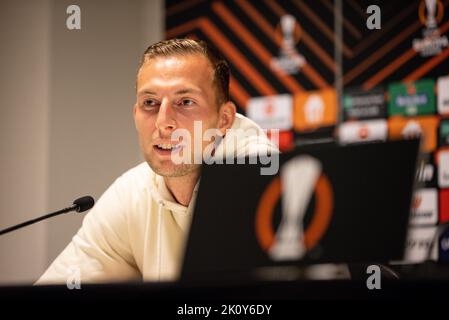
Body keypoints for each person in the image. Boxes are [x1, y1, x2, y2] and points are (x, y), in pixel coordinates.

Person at [36, 38, 278, 284]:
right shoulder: (132, 192)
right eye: (150, 103)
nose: (163, 122)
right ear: (135, 115)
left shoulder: (259, 178)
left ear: (224, 119)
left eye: (185, 102)